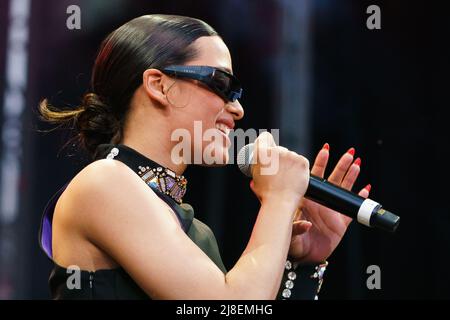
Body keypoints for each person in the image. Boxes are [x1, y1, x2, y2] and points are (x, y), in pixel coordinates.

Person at [38, 14, 371, 300]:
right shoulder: (104, 182)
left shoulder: (194, 230)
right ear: (160, 85)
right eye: (222, 84)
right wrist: (280, 199)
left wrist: (302, 265)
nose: (237, 109)